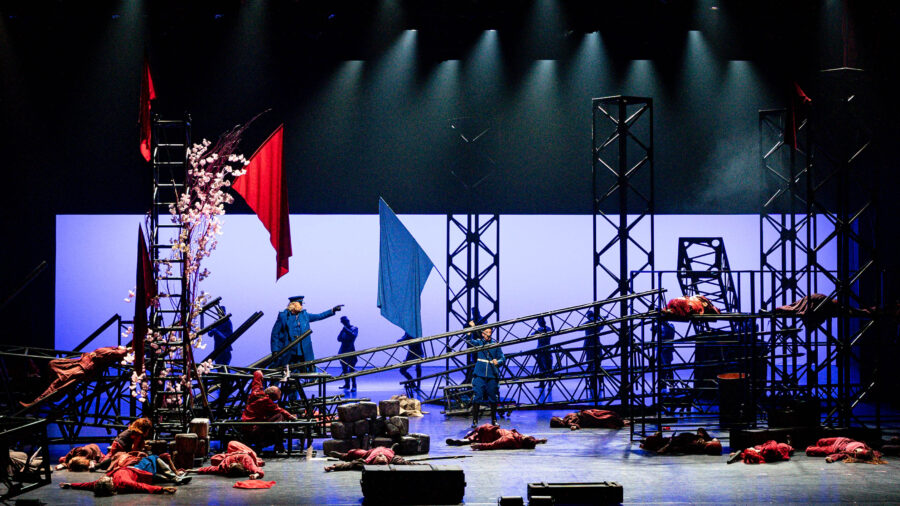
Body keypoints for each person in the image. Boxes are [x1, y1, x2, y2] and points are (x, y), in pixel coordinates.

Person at [20, 345, 130, 409]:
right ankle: (46, 387)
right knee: (53, 364)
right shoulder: (112, 349)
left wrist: (129, 349)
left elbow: (122, 351)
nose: (122, 346)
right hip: (80, 362)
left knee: (57, 385)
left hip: (82, 369)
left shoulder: (115, 353)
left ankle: (34, 405)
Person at [270, 295, 343, 370]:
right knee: (284, 369)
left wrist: (333, 310)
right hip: (288, 350)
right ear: (294, 304)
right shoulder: (283, 316)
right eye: (300, 304)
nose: (302, 306)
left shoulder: (304, 315)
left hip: (303, 350)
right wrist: (275, 350)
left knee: (306, 368)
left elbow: (319, 316)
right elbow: (275, 334)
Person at [241, 370, 297, 452]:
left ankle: (277, 445)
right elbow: (280, 410)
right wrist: (291, 417)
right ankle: (279, 445)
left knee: (278, 419)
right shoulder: (267, 402)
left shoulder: (256, 392)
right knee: (279, 417)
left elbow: (257, 380)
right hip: (254, 430)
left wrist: (259, 373)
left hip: (247, 427)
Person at [466, 327, 504, 427]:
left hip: (492, 375)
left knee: (493, 397)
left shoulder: (495, 344)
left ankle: (494, 420)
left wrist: (498, 362)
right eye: (486, 332)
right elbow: (469, 342)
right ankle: (474, 421)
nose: (488, 334)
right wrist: (470, 331)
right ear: (483, 334)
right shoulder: (479, 343)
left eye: (490, 332)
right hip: (480, 374)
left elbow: (502, 358)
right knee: (477, 396)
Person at [60, 467, 177, 496]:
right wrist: (162, 489)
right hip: (136, 469)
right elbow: (143, 486)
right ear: (110, 483)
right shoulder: (125, 482)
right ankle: (173, 477)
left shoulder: (100, 484)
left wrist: (70, 484)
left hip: (120, 467)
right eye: (104, 478)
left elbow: (86, 485)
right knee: (153, 458)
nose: (102, 477)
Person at [191, 441, 266, 479]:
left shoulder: (224, 468)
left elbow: (209, 469)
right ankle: (257, 460)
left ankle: (228, 454)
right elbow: (258, 471)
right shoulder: (247, 461)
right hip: (241, 452)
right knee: (231, 443)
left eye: (230, 465)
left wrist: (192, 470)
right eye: (231, 464)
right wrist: (255, 475)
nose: (230, 464)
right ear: (238, 464)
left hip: (229, 455)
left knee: (214, 459)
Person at [445, 423, 547, 450]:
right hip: (491, 433)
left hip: (489, 434)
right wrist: (540, 441)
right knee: (473, 437)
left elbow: (494, 445)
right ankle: (466, 439)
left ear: (524, 439)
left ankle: (464, 439)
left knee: (475, 437)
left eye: (525, 436)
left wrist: (479, 446)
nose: (524, 434)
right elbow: (531, 441)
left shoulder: (509, 439)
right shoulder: (520, 439)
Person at [324, 446, 418, 472]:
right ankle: (392, 447)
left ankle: (342, 456)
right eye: (382, 456)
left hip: (369, 453)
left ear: (375, 461)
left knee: (355, 452)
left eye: (380, 457)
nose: (381, 454)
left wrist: (334, 467)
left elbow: (351, 464)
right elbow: (407, 463)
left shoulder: (367, 462)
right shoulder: (393, 459)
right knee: (392, 450)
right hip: (388, 449)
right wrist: (422, 465)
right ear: (386, 461)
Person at [640, 428, 722, 455]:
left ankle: (650, 442)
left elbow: (672, 445)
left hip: (676, 442)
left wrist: (666, 446)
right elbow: (701, 430)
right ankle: (650, 441)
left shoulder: (695, 447)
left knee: (668, 442)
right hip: (679, 440)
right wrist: (702, 438)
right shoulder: (705, 439)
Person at [805, 437, 884, 464]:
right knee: (820, 441)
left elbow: (839, 455)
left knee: (809, 450)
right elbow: (876, 454)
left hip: (834, 448)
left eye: (857, 452)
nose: (857, 450)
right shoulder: (865, 448)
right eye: (859, 450)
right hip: (841, 440)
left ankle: (819, 447)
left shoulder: (851, 454)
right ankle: (820, 445)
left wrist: (831, 458)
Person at [550, 409, 628, 430]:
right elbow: (572, 424)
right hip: (586, 414)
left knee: (604, 417)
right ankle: (620, 421)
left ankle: (620, 421)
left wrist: (574, 426)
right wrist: (574, 426)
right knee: (604, 416)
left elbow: (572, 424)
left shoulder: (566, 419)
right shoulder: (566, 419)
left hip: (587, 414)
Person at [336, 316, 359, 390]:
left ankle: (354, 385)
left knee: (352, 369)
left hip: (351, 350)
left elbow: (353, 335)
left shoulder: (354, 328)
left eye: (345, 321)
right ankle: (347, 384)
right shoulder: (343, 329)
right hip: (343, 351)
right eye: (343, 322)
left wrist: (345, 330)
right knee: (344, 369)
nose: (344, 323)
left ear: (348, 320)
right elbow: (339, 339)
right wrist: (343, 331)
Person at [583, 310, 601, 399]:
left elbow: (601, 327)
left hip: (594, 346)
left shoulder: (595, 323)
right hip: (591, 346)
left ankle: (596, 383)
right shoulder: (589, 323)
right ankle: (593, 383)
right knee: (592, 365)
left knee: (595, 365)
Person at [727, 440, 794, 464]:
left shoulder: (758, 452)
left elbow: (748, 454)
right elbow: (773, 442)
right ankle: (789, 444)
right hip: (783, 449)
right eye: (750, 448)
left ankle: (789, 444)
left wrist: (738, 455)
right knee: (757, 447)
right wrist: (761, 449)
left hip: (780, 449)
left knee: (756, 446)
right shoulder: (767, 451)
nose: (749, 447)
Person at [532, 316, 553, 382]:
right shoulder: (539, 330)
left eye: (540, 321)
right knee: (541, 367)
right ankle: (542, 383)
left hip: (546, 350)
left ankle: (549, 383)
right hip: (540, 350)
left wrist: (541, 331)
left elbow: (548, 337)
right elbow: (532, 335)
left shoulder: (548, 329)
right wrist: (538, 331)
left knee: (548, 367)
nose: (539, 323)